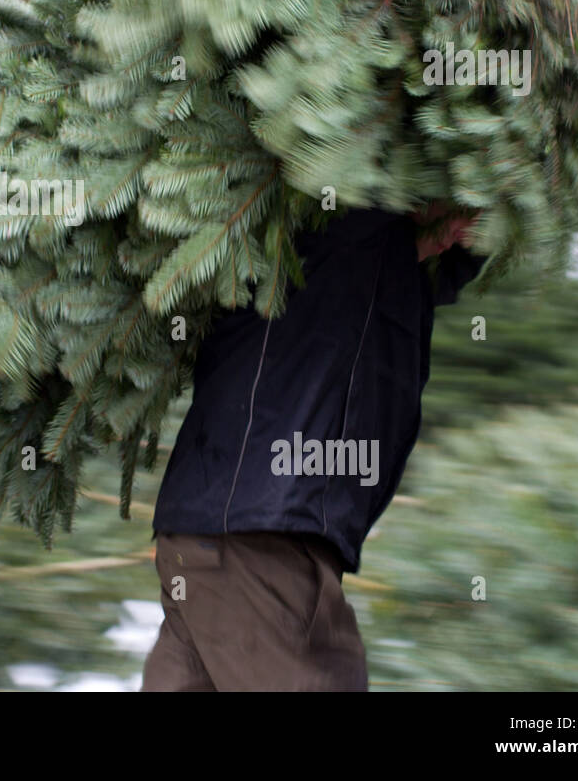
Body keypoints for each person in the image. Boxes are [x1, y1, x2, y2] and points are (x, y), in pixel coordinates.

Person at [140, 203, 484, 692]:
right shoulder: (334, 235)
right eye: (453, 212)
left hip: (207, 545)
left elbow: (439, 273)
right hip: (262, 546)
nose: (454, 233)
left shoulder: (377, 276)